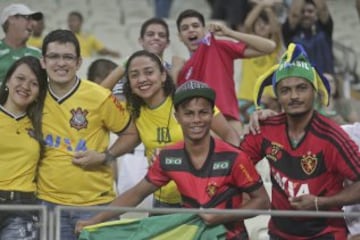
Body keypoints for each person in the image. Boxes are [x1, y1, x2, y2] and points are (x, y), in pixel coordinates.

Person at [75, 80, 270, 239]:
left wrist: (222, 216)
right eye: (188, 113)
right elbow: (136, 194)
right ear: (177, 117)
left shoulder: (234, 157)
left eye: (203, 112)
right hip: (192, 235)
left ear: (212, 115)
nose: (196, 120)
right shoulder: (168, 157)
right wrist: (95, 221)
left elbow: (262, 201)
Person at [72, 50, 241, 210]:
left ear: (162, 76)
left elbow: (228, 134)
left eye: (148, 72)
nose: (142, 79)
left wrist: (226, 172)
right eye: (134, 75)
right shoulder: (132, 109)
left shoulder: (187, 100)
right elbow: (99, 97)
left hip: (202, 199)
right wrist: (125, 65)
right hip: (162, 201)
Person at [240, 43, 360, 239]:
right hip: (279, 233)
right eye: (286, 90)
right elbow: (234, 165)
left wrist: (319, 203)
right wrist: (254, 193)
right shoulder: (265, 129)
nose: (294, 96)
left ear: (314, 91)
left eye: (301, 88)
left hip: (325, 234)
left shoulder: (332, 136)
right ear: (277, 95)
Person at [37, 29, 131, 240]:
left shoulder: (100, 96)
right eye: (54, 56)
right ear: (43, 61)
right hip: (48, 206)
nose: (61, 63)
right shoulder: (33, 96)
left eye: (68, 57)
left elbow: (132, 133)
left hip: (96, 205)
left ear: (79, 62)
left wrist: (105, 156)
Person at [173, 9, 276, 134]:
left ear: (204, 30)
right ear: (179, 37)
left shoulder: (219, 47)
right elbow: (173, 105)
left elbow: (270, 46)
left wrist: (229, 33)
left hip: (230, 122)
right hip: (201, 129)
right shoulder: (182, 69)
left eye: (195, 26)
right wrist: (175, 71)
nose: (191, 30)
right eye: (185, 28)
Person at [0, 56, 47, 240]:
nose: (25, 87)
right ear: (8, 80)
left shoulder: (42, 124)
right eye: (20, 78)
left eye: (34, 83)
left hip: (23, 208)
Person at [238, 0, 284, 123]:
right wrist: (262, 4)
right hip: (246, 98)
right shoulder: (247, 45)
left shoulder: (274, 47)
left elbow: (276, 31)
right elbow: (247, 25)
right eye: (258, 23)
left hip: (268, 100)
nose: (262, 26)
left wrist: (269, 9)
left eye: (265, 23)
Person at [282, 0, 334, 74]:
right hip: (301, 79)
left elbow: (323, 9)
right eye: (302, 12)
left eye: (310, 11)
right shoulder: (290, 31)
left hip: (325, 78)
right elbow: (294, 14)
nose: (306, 14)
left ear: (316, 13)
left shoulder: (324, 27)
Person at [0, 3, 43, 85]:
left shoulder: (37, 54)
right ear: (11, 19)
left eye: (34, 20)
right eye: (28, 18)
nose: (34, 24)